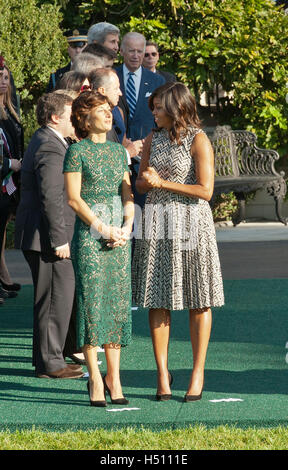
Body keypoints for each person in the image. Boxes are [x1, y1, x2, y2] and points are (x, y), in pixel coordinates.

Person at [132, 82, 224, 402]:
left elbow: (205, 191)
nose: (154, 113)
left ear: (176, 108)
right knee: (158, 299)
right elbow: (143, 185)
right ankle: (162, 374)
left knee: (199, 298)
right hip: (157, 223)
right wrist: (145, 181)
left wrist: (163, 182)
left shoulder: (199, 140)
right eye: (153, 107)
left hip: (192, 224)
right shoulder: (152, 139)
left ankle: (198, 372)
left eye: (158, 107)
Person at [63, 91, 134, 406]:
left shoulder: (120, 153)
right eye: (102, 110)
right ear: (83, 117)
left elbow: (128, 195)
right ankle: (94, 377)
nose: (109, 114)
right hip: (91, 238)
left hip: (119, 236)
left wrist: (126, 228)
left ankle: (114, 378)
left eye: (110, 109)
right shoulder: (76, 152)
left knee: (117, 305)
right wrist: (102, 228)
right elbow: (74, 199)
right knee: (93, 305)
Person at [14, 92, 84, 379]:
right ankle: (51, 363)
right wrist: (59, 239)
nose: (75, 120)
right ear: (56, 117)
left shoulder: (49, 141)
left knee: (55, 296)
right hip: (47, 238)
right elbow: (52, 197)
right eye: (71, 115)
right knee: (55, 297)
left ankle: (50, 359)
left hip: (44, 235)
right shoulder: (49, 147)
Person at [115, 32, 165, 208]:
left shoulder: (157, 81)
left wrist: (148, 143)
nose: (136, 56)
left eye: (139, 51)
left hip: (145, 160)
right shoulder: (111, 77)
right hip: (117, 158)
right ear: (121, 51)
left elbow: (161, 120)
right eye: (131, 51)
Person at [0, 57, 23, 303]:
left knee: (2, 228)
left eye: (6, 78)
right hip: (4, 173)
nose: (3, 82)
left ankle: (3, 275)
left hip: (9, 181)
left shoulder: (9, 109)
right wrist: (9, 164)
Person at [89, 68, 143, 159]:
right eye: (116, 88)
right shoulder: (89, 118)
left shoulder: (118, 111)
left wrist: (135, 146)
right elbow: (98, 157)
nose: (120, 93)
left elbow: (121, 141)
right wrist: (128, 153)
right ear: (102, 91)